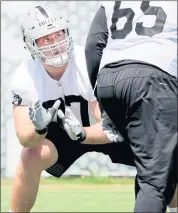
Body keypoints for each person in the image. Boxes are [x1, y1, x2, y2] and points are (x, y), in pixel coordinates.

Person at [9, 5, 135, 212]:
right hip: (62, 138)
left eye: (58, 35)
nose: (55, 44)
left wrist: (83, 133)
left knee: (156, 153)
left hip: (98, 129)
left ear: (67, 32)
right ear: (31, 45)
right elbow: (25, 137)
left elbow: (108, 127)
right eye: (45, 39)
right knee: (30, 156)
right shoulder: (25, 75)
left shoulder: (88, 62)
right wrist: (39, 129)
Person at [85, 1, 177, 213]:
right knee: (153, 181)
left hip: (109, 80)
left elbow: (93, 47)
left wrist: (101, 97)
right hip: (153, 81)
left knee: (153, 170)